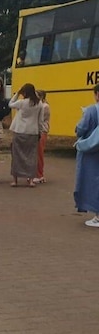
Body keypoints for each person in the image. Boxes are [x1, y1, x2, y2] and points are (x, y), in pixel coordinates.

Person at [8, 82, 45, 187]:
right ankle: (31, 180)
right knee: (32, 156)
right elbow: (40, 120)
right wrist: (40, 131)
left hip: (19, 131)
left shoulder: (22, 102)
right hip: (33, 131)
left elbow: (10, 104)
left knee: (16, 155)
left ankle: (15, 180)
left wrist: (17, 94)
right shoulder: (39, 104)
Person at [74, 84, 99, 227]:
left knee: (94, 182)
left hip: (92, 152)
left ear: (96, 94)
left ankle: (97, 216)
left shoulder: (91, 111)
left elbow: (80, 130)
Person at [33, 89, 50, 184]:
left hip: (42, 130)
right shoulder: (38, 106)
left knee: (39, 152)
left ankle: (40, 174)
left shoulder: (45, 106)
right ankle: (35, 173)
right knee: (35, 153)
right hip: (36, 130)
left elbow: (41, 118)